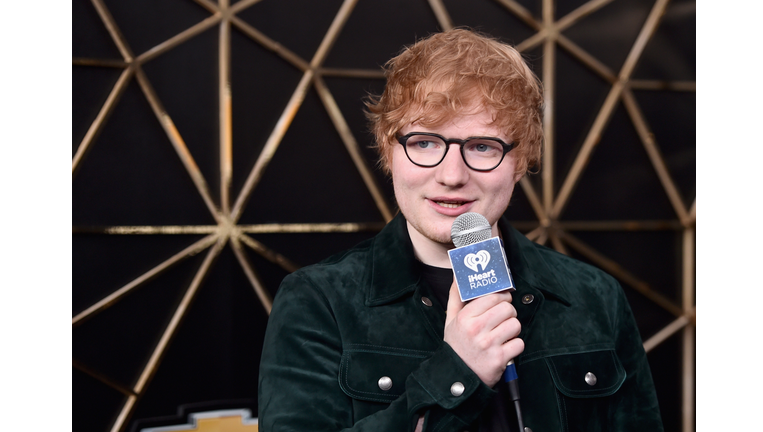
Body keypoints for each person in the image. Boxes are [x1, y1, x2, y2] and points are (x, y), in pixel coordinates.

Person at [258, 28, 663, 432]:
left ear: (520, 159)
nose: (452, 175)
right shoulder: (317, 302)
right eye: (425, 143)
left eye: (483, 146)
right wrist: (458, 372)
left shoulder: (595, 298)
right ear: (388, 150)